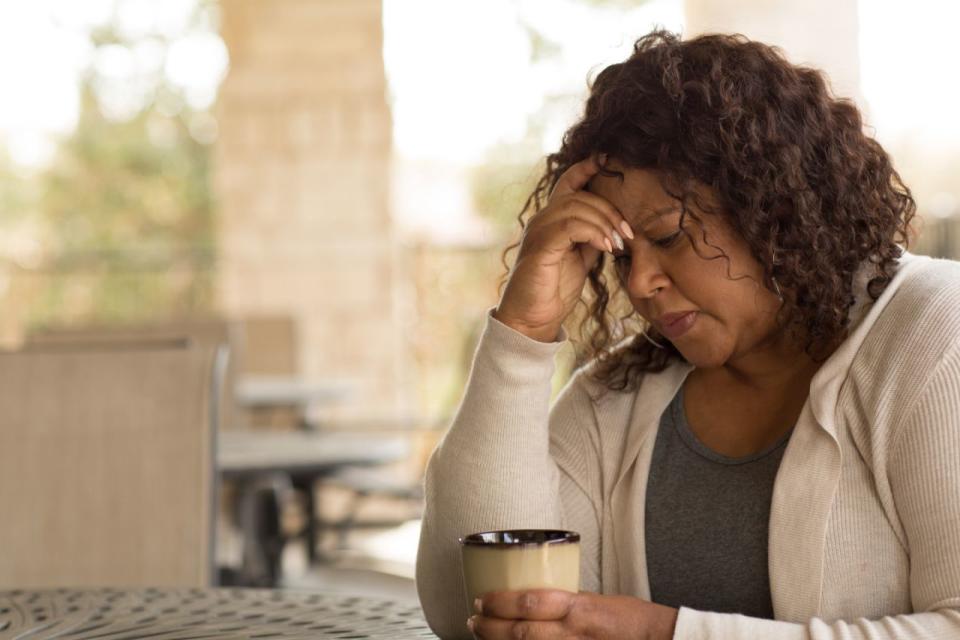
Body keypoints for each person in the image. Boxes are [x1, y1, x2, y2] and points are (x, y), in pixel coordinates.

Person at [416, 30, 960, 640]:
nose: (642, 282)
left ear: (769, 207)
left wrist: (663, 633)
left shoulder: (934, 334)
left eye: (670, 236)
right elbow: (468, 610)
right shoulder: (617, 399)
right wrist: (523, 333)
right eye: (620, 255)